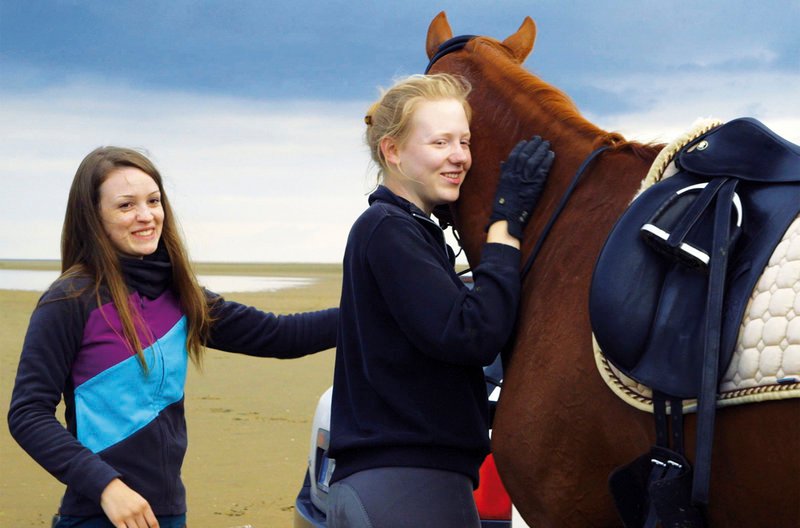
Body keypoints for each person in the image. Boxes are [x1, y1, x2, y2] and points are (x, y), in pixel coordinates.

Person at [7, 147, 338, 528]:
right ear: (93, 217)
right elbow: (28, 414)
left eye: (153, 201)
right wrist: (107, 487)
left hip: (167, 512)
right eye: (126, 205)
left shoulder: (179, 295)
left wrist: (374, 312)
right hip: (99, 514)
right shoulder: (70, 300)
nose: (146, 216)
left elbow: (280, 336)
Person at [326, 73, 554, 527]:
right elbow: (472, 334)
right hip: (408, 484)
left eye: (465, 142)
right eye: (440, 142)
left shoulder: (408, 231)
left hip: (400, 483)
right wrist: (505, 223)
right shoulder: (387, 228)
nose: (459, 157)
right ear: (392, 151)